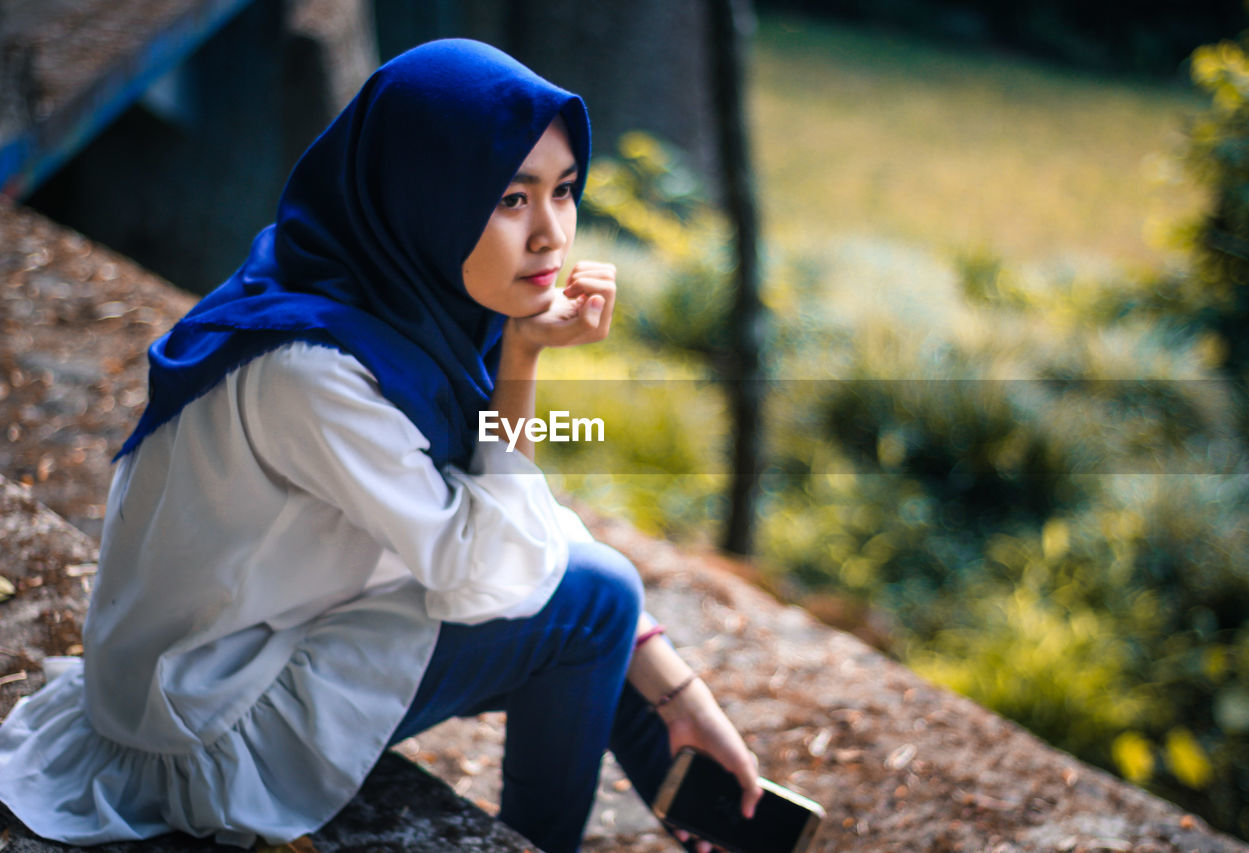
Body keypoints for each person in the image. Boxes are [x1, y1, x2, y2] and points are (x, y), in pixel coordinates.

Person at [0, 38, 759, 853]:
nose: (550, 235)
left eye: (565, 192)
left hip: (243, 648)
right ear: (427, 195)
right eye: (509, 198)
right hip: (210, 723)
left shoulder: (365, 290)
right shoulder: (312, 371)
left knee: (593, 602)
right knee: (591, 600)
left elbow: (509, 522)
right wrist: (523, 359)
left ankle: (723, 824)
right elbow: (490, 566)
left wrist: (674, 688)